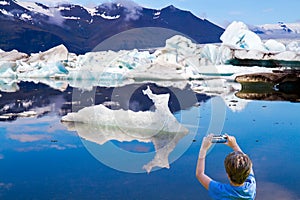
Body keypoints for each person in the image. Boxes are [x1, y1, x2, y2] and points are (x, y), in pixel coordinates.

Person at [196, 134, 256, 200]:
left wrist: (204, 148)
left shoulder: (220, 191)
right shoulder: (251, 187)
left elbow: (199, 174)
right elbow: (200, 174)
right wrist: (234, 145)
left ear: (228, 175)